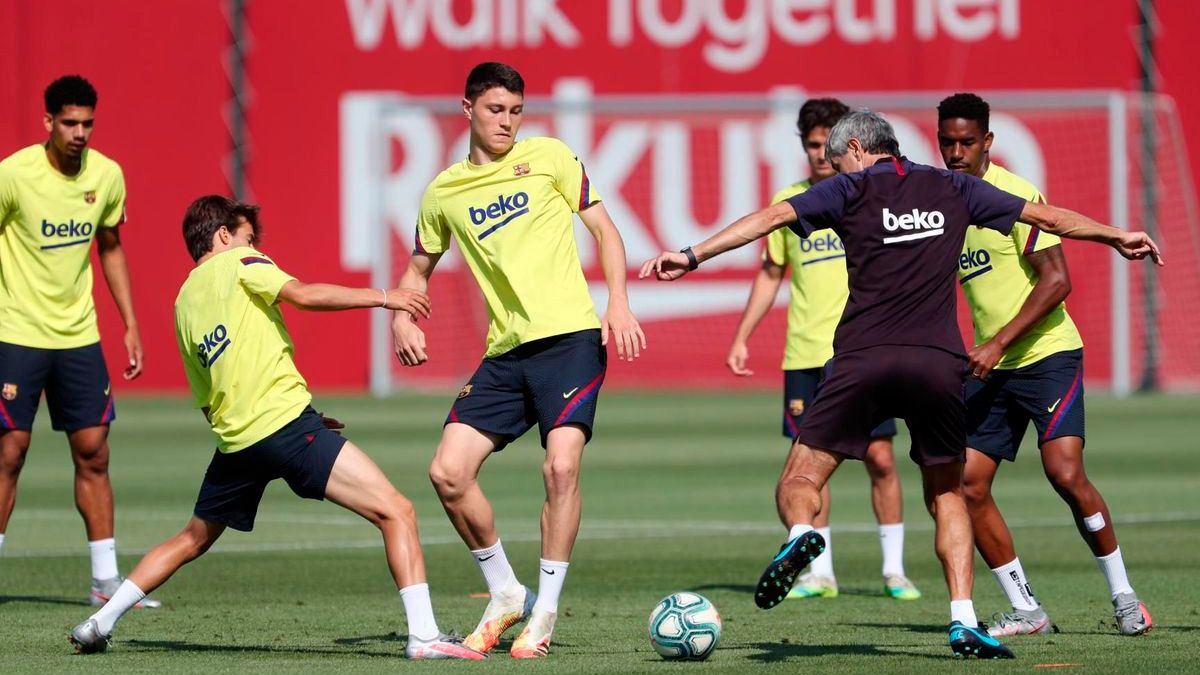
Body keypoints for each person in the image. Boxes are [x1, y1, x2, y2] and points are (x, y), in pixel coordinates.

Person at [640, 110, 1161, 659]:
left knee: (801, 477)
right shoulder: (954, 186)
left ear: (859, 149)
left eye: (837, 159)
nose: (835, 167)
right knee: (946, 493)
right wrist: (1116, 234)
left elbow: (769, 218)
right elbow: (1048, 219)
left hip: (863, 361)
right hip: (939, 365)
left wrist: (693, 254)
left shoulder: (848, 188)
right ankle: (963, 618)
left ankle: (799, 537)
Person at [68, 196, 483, 660]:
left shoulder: (183, 303)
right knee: (397, 511)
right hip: (286, 428)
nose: (255, 246)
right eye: (246, 236)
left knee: (191, 538)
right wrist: (387, 297)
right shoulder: (242, 261)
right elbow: (303, 295)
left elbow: (207, 401)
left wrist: (286, 424)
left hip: (238, 442)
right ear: (223, 236)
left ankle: (99, 622)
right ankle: (424, 638)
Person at [392, 62, 645, 659]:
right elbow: (416, 271)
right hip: (505, 353)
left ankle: (546, 612)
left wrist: (619, 303)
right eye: (495, 110)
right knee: (447, 473)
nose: (506, 122)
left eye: (515, 111)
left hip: (570, 341)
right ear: (468, 109)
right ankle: (506, 591)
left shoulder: (552, 158)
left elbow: (607, 232)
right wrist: (402, 315)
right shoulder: (443, 192)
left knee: (560, 469)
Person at [937, 93, 1151, 636]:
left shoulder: (1013, 195)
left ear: (988, 142)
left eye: (967, 142)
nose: (956, 152)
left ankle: (1124, 595)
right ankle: (1027, 609)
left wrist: (997, 344)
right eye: (947, 142)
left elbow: (1058, 281)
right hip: (994, 365)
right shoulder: (944, 204)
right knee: (967, 485)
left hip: (1045, 355)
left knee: (1065, 473)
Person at [727, 98, 918, 601]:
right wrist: (744, 334)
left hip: (860, 350)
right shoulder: (791, 201)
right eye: (812, 144)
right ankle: (820, 572)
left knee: (880, 458)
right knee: (811, 462)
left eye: (826, 143)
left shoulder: (870, 198)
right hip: (806, 354)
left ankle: (895, 570)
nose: (819, 153)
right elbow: (771, 274)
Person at [0, 75, 157, 607]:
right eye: (69, 122)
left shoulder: (107, 175)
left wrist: (129, 321)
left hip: (78, 335)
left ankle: (105, 582)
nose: (80, 132)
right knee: (9, 452)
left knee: (93, 453)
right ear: (48, 122)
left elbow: (110, 246)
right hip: (16, 331)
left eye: (88, 123)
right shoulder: (13, 176)